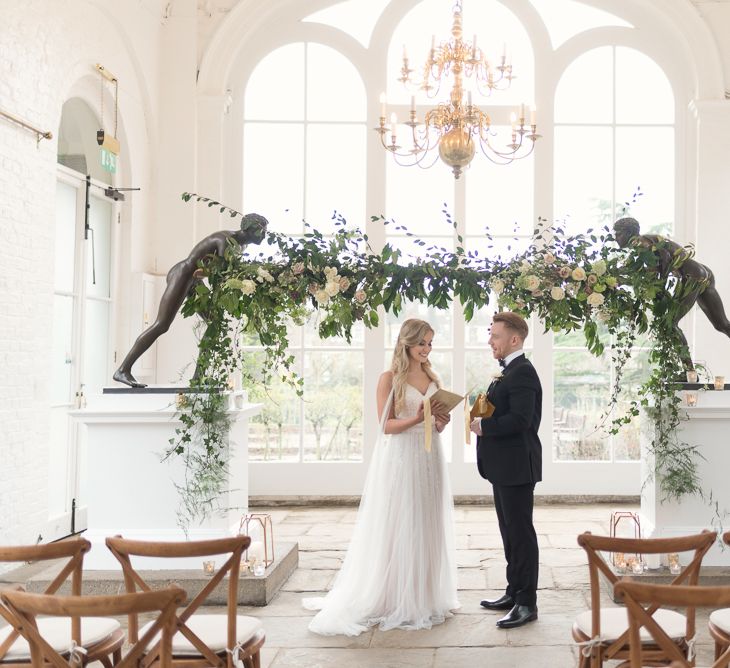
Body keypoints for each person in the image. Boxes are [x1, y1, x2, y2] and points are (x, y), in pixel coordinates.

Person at [303, 318, 460, 635]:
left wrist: (440, 419)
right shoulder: (389, 379)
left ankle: (425, 595)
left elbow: (436, 425)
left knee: (427, 521)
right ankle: (394, 595)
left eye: (430, 343)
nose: (427, 350)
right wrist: (416, 418)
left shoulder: (433, 376)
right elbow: (384, 426)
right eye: (422, 344)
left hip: (431, 457)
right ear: (407, 343)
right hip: (403, 457)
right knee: (401, 521)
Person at [112, 213, 269, 388]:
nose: (265, 236)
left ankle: (198, 378)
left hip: (195, 279)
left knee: (215, 324)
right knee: (162, 324)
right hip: (183, 274)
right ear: (250, 228)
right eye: (262, 231)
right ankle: (123, 370)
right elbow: (225, 274)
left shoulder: (241, 247)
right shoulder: (226, 239)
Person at [470, 311, 541, 629]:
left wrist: (484, 426)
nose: (490, 341)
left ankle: (527, 603)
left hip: (517, 466)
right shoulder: (509, 371)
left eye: (495, 336)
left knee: (521, 534)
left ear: (514, 339)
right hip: (503, 467)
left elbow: (521, 421)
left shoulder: (523, 372)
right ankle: (513, 592)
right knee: (509, 533)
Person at [614, 217, 730, 371]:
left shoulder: (642, 245)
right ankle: (690, 372)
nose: (615, 238)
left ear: (629, 233)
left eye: (618, 234)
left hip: (692, 278)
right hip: (702, 273)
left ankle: (690, 372)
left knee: (669, 324)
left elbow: (653, 276)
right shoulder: (644, 242)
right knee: (722, 324)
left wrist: (622, 280)